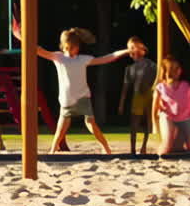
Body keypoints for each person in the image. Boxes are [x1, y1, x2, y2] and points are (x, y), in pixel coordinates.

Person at [13, 20, 130, 154]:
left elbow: (106, 58)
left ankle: (106, 147)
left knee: (90, 123)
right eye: (70, 47)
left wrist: (125, 51)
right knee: (61, 127)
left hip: (83, 98)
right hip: (66, 100)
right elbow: (38, 50)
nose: (73, 50)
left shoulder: (83, 59)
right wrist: (21, 37)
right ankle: (53, 150)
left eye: (75, 47)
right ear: (65, 46)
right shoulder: (58, 57)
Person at [151, 55, 190, 155]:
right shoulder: (160, 87)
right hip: (169, 117)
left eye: (178, 68)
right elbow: (155, 107)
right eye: (173, 69)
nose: (177, 71)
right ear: (165, 72)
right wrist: (154, 123)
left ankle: (187, 152)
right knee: (168, 142)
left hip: (185, 117)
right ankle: (161, 154)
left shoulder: (185, 85)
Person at [118, 37, 156, 155]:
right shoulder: (130, 69)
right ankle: (133, 149)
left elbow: (157, 79)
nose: (133, 51)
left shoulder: (151, 65)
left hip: (150, 96)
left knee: (148, 123)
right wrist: (121, 104)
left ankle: (144, 146)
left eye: (135, 48)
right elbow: (125, 87)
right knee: (134, 124)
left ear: (143, 49)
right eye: (130, 49)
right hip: (137, 97)